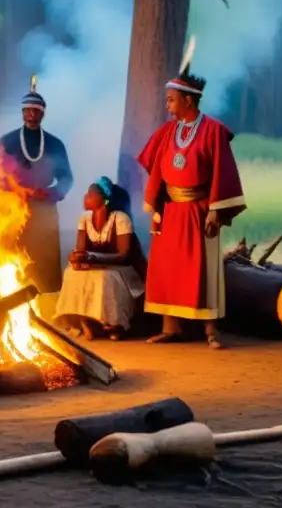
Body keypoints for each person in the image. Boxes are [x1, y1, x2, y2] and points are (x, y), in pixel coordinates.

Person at [139, 38, 246, 346]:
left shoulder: (213, 130)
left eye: (171, 99)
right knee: (167, 269)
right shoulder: (168, 131)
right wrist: (158, 204)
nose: (167, 105)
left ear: (188, 100)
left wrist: (215, 210)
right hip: (172, 210)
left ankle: (211, 331)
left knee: (204, 270)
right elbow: (156, 165)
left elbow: (223, 173)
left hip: (199, 211)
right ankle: (171, 328)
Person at [0, 75, 73, 294]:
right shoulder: (7, 142)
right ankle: (9, 299)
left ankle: (47, 301)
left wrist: (51, 192)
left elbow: (67, 178)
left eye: (36, 111)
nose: (31, 115)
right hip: (13, 211)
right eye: (27, 110)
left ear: (43, 113)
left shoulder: (55, 144)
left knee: (44, 261)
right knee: (12, 258)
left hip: (44, 210)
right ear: (21, 113)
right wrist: (11, 193)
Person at [54, 177, 146, 340]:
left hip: (122, 269)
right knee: (71, 273)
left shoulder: (120, 218)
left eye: (90, 194)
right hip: (97, 265)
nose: (85, 197)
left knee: (105, 277)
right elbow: (81, 250)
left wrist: (94, 257)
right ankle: (84, 319)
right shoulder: (84, 218)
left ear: (104, 199)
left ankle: (114, 323)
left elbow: (124, 256)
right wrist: (76, 258)